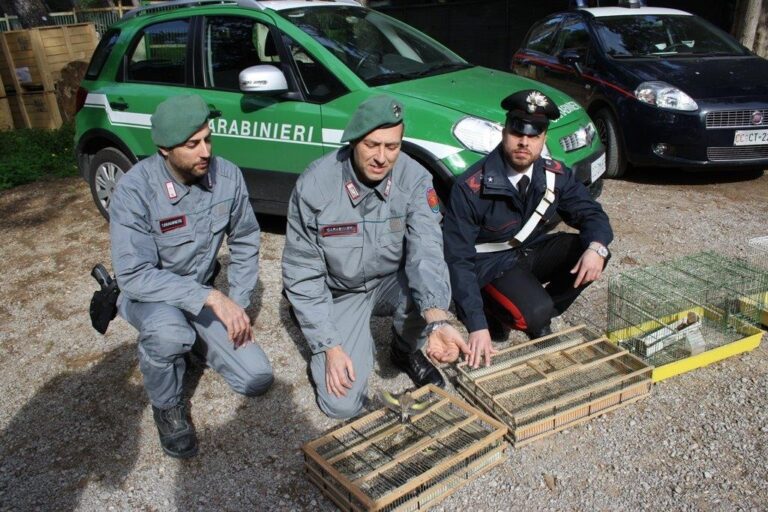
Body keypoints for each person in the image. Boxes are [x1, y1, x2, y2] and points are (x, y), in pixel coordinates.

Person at [282, 95, 470, 419]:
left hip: (388, 282)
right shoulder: (316, 185)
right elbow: (302, 271)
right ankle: (335, 331)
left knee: (427, 288)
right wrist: (329, 346)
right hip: (341, 291)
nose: (382, 157)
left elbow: (426, 251)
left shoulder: (415, 179)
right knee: (340, 404)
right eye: (372, 145)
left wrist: (438, 320)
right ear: (354, 140)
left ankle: (404, 349)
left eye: (392, 147)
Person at [109, 95, 273, 458]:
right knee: (169, 333)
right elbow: (134, 275)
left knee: (257, 379)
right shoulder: (135, 190)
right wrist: (214, 298)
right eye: (192, 144)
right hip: (149, 295)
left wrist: (238, 304)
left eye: (208, 139)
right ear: (165, 149)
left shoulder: (227, 175)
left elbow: (245, 237)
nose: (205, 152)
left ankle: (197, 342)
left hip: (198, 292)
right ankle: (167, 407)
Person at [443, 89, 613, 368]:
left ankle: (534, 309)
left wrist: (596, 247)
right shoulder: (471, 186)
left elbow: (591, 213)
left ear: (543, 138)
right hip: (489, 265)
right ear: (504, 132)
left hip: (526, 252)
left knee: (596, 250)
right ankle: (496, 312)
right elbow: (458, 260)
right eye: (517, 133)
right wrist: (475, 324)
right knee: (535, 312)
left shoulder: (553, 174)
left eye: (534, 135)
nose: (524, 142)